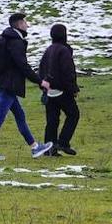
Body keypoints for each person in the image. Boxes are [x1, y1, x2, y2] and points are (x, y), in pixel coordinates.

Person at [0, 13, 53, 160]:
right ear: (19, 24)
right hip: (8, 85)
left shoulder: (6, 39)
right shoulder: (16, 42)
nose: (27, 25)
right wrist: (40, 81)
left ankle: (34, 147)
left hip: (4, 84)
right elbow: (23, 66)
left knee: (20, 116)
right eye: (25, 22)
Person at [38, 23, 80, 156]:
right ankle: (63, 142)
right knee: (73, 114)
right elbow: (68, 72)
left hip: (49, 90)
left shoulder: (48, 50)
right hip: (62, 90)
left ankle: (49, 148)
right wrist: (73, 88)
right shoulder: (64, 51)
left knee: (52, 120)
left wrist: (43, 86)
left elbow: (41, 70)